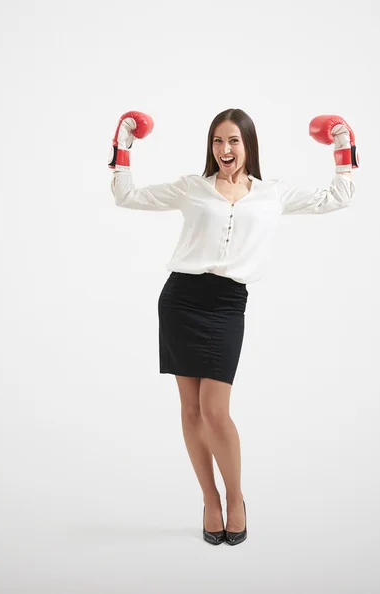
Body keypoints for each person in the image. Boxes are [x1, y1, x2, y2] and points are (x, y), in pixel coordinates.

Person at [108, 108, 358, 546]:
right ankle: (209, 499)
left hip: (226, 306)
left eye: (234, 142)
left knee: (215, 411)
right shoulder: (193, 188)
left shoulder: (271, 194)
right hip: (181, 299)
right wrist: (122, 144)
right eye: (218, 142)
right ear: (211, 147)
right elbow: (127, 196)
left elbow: (335, 198)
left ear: (248, 146)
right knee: (190, 410)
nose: (225, 150)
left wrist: (343, 145)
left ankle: (236, 497)